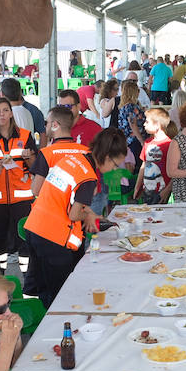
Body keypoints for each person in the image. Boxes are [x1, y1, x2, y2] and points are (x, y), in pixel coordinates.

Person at [24, 109, 107, 308]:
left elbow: (36, 190)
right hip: (74, 227)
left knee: (51, 285)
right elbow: (90, 190)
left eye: (47, 123)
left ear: (55, 125)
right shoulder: (85, 152)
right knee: (72, 278)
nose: (44, 127)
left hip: (49, 226)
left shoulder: (47, 153)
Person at [0, 97, 38, 264]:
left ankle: (26, 279)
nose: (2, 114)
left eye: (5, 110)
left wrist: (28, 157)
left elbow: (35, 166)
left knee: (24, 241)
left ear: (11, 113)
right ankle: (0, 275)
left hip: (22, 198)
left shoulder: (25, 136)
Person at [134, 107, 177, 203]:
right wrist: (137, 186)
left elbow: (176, 170)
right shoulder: (148, 142)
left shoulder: (170, 144)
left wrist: (167, 190)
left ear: (157, 125)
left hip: (162, 190)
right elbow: (143, 165)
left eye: (147, 122)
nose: (144, 124)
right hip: (147, 189)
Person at [118, 80, 147, 168]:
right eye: (137, 90)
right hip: (134, 141)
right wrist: (142, 141)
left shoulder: (124, 106)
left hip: (128, 141)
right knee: (137, 166)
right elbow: (133, 124)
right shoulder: (131, 107)